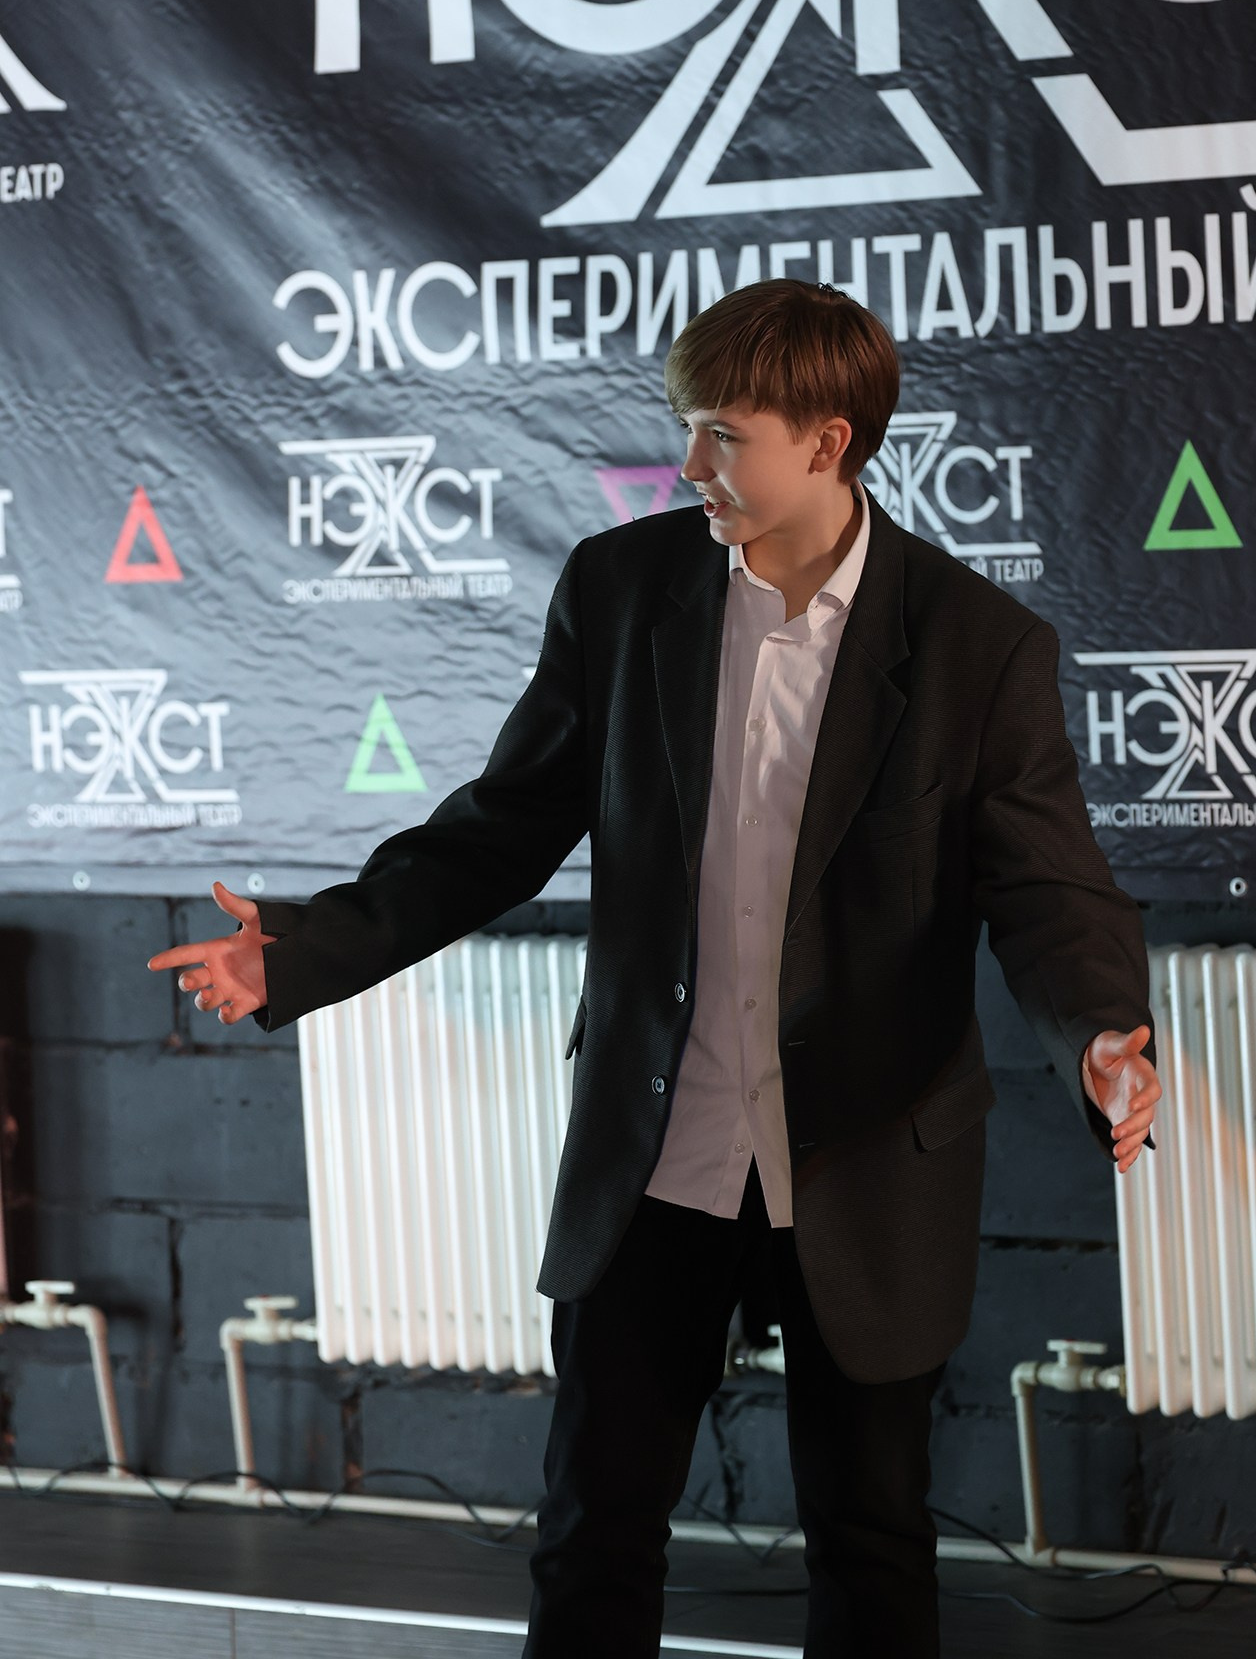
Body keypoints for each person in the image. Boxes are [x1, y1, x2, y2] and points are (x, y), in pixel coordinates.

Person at [149, 277, 1161, 1658]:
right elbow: (502, 829)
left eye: (723, 435)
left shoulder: (978, 647)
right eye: (688, 428)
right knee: (594, 1526)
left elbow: (1046, 888)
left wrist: (1100, 1029)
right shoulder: (620, 592)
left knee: (871, 1540)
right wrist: (304, 949)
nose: (688, 465)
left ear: (829, 442)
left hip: (865, 1159)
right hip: (657, 1149)